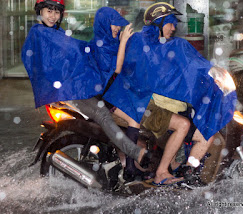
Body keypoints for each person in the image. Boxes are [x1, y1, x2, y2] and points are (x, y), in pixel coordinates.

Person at [104, 2, 237, 185]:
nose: (174, 28)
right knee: (182, 125)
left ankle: (187, 171)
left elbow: (190, 66)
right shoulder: (142, 42)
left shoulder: (166, 46)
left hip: (160, 106)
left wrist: (211, 74)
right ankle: (161, 173)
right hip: (141, 104)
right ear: (159, 22)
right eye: (171, 22)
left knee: (207, 132)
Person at [21, 0, 149, 168]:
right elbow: (67, 55)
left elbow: (72, 53)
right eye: (49, 11)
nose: (53, 16)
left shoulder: (54, 32)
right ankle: (134, 153)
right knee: (102, 114)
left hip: (75, 86)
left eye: (56, 12)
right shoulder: (40, 33)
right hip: (69, 90)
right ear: (40, 11)